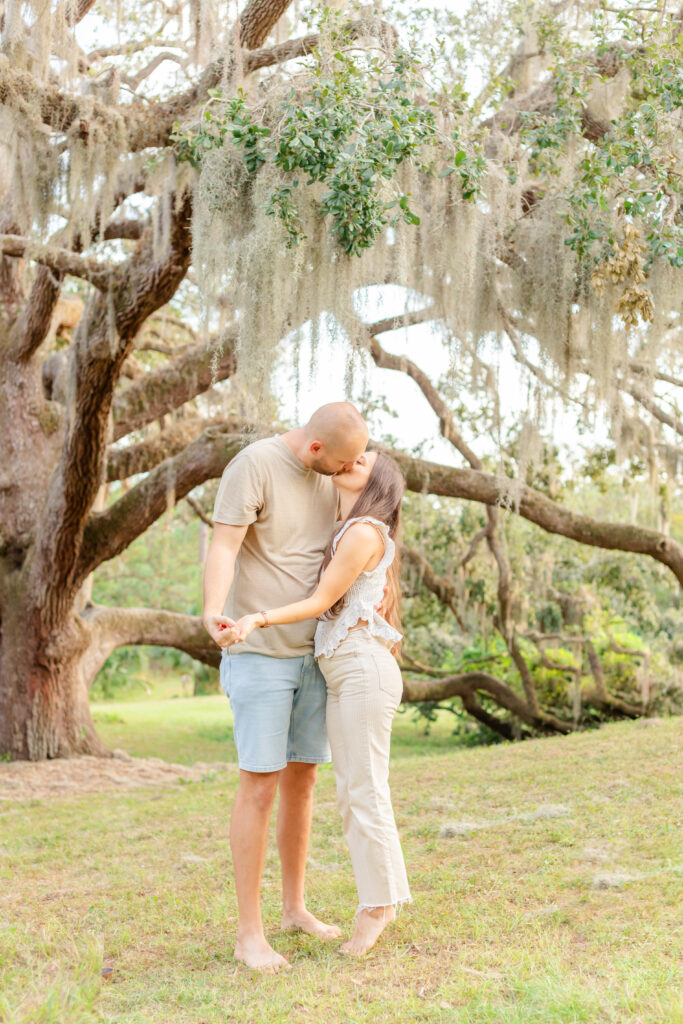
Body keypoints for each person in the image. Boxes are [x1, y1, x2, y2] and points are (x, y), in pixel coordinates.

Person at [202, 403, 368, 973]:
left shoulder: (334, 474)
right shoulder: (254, 466)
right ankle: (250, 934)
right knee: (259, 785)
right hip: (258, 654)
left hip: (314, 655)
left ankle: (294, 908)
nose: (352, 469)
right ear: (317, 449)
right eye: (343, 461)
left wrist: (357, 469)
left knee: (303, 780)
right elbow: (224, 545)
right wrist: (212, 611)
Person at [233, 450, 411, 955]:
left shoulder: (361, 532)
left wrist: (256, 619)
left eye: (365, 459)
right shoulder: (349, 527)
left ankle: (375, 908)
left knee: (364, 791)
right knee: (362, 788)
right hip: (347, 671)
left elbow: (317, 602)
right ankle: (386, 900)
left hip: (361, 671)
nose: (353, 458)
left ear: (377, 481)